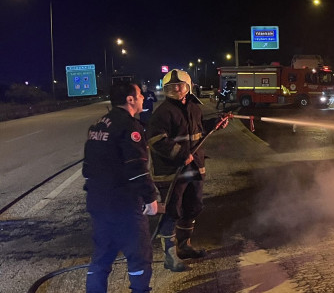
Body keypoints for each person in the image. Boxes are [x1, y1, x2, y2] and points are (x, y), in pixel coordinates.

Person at [146, 69, 228, 272]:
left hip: (193, 167)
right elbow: (156, 140)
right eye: (171, 87)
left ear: (188, 86)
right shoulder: (162, 113)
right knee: (172, 211)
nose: (176, 88)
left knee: (194, 206)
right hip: (171, 172)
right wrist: (180, 154)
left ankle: (184, 246)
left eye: (180, 85)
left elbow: (197, 132)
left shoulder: (194, 108)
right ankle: (170, 256)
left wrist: (215, 123)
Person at [83, 81, 159, 293]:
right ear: (130, 99)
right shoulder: (129, 126)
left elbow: (87, 167)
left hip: (99, 203)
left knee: (101, 258)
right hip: (124, 205)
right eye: (140, 95)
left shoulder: (99, 125)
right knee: (139, 257)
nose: (143, 98)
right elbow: (137, 168)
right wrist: (150, 198)